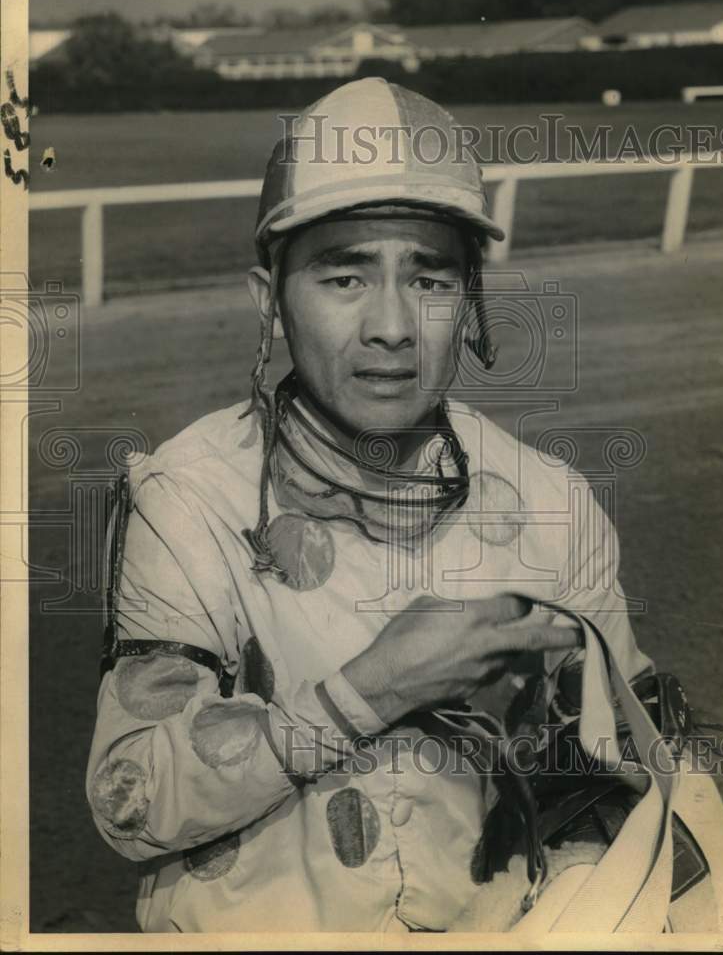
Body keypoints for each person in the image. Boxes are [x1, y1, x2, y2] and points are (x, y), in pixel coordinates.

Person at [86, 77, 652, 933]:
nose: (390, 326)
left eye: (428, 281)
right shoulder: (187, 497)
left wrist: (572, 897)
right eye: (344, 277)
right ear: (268, 299)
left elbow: (612, 771)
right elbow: (129, 801)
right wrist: (373, 688)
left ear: (470, 302)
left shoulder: (549, 500)